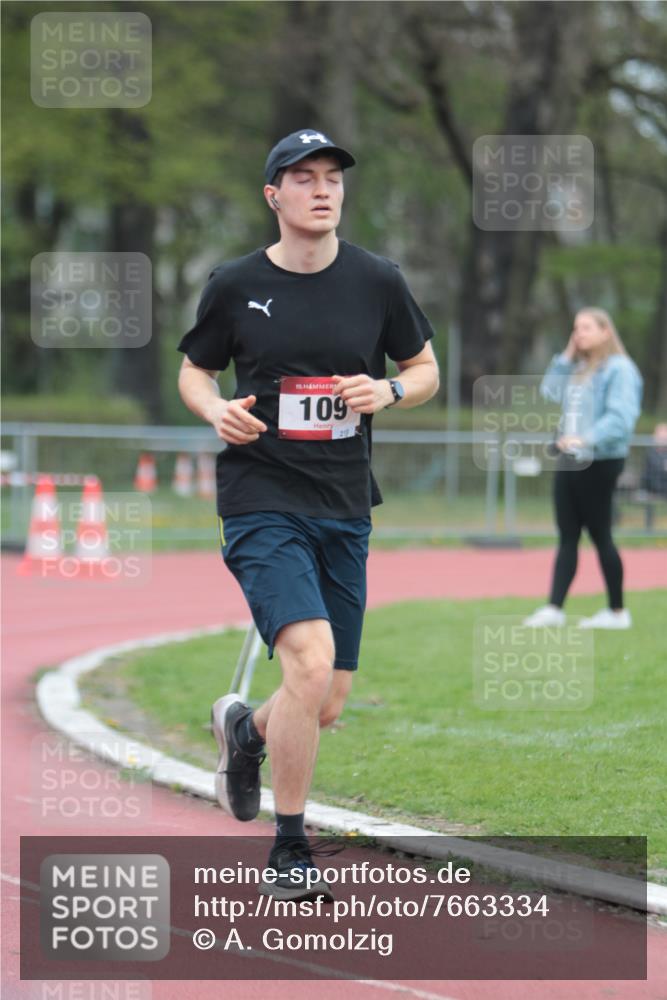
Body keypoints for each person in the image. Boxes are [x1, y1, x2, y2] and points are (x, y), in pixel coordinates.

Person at [177, 129, 439, 899]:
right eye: (303, 178)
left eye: (332, 178)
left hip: (345, 502)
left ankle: (245, 731)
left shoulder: (377, 280)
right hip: (261, 497)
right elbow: (195, 370)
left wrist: (388, 391)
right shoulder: (233, 284)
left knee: (322, 702)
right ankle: (289, 851)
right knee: (309, 661)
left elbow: (424, 368)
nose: (322, 190)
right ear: (274, 196)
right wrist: (213, 409)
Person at [524, 308, 642, 630]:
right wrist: (565, 357)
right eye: (576, 328)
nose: (579, 333)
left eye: (587, 327)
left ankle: (617, 612)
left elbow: (620, 419)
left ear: (606, 331)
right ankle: (554, 608)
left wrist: (583, 439)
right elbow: (549, 392)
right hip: (569, 461)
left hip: (600, 460)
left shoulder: (620, 369)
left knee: (601, 534)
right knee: (567, 536)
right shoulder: (577, 368)